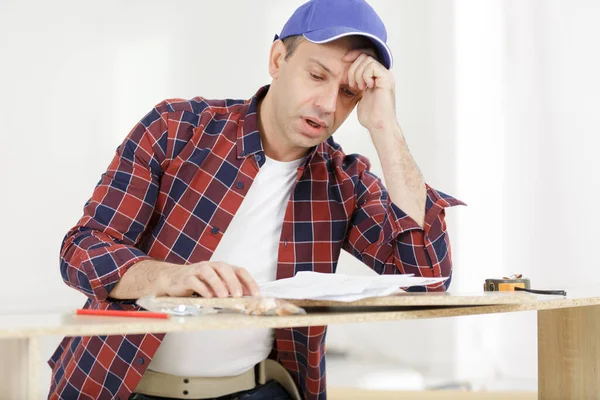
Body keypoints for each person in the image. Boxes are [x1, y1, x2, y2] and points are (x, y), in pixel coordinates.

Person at [48, 0, 463, 399]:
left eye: (348, 93)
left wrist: (384, 126)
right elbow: (82, 249)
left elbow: (426, 281)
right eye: (317, 76)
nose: (327, 105)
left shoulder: (343, 180)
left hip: (257, 390)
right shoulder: (176, 129)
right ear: (278, 60)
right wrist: (168, 277)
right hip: (121, 388)